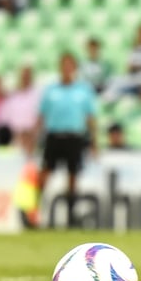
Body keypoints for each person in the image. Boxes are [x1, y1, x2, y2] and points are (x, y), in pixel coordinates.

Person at [35, 52, 98, 228]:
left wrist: (94, 142)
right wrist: (34, 139)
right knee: (45, 173)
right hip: (54, 136)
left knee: (73, 176)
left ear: (74, 68)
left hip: (74, 138)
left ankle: (71, 216)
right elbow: (41, 116)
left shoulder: (83, 90)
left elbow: (90, 118)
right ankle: (36, 211)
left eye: (70, 65)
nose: (67, 69)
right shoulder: (51, 90)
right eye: (64, 65)